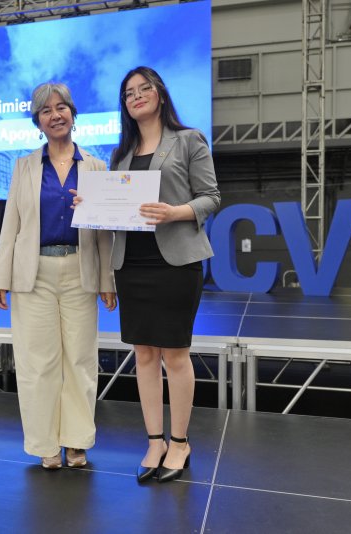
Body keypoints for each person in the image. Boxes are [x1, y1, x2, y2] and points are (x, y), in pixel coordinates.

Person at [0, 82, 116, 470]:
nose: (55, 115)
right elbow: (11, 224)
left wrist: (107, 280)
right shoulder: (24, 166)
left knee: (80, 360)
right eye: (46, 110)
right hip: (34, 273)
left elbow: (103, 231)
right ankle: (45, 443)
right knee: (38, 363)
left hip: (81, 270)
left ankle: (76, 442)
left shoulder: (95, 166)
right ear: (37, 121)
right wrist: (0, 277)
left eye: (61, 107)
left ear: (73, 115)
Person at [111, 67, 220, 483]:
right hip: (131, 264)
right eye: (129, 93)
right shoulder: (121, 155)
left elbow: (211, 197)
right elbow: (116, 208)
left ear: (159, 94)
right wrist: (91, 205)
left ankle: (180, 442)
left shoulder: (189, 140)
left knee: (174, 355)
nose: (136, 96)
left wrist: (176, 212)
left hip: (175, 263)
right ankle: (154, 441)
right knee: (143, 355)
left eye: (144, 89)